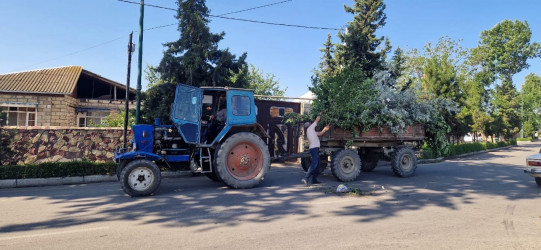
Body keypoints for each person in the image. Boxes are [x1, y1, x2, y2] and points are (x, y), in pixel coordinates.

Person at [302, 115, 330, 186]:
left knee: (318, 166)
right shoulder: (310, 129)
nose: (311, 124)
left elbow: (320, 134)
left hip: (315, 149)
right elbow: (317, 119)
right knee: (314, 164)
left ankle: (314, 180)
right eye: (310, 123)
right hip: (314, 149)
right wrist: (321, 113)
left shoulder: (312, 131)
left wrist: (325, 129)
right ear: (309, 125)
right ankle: (306, 178)